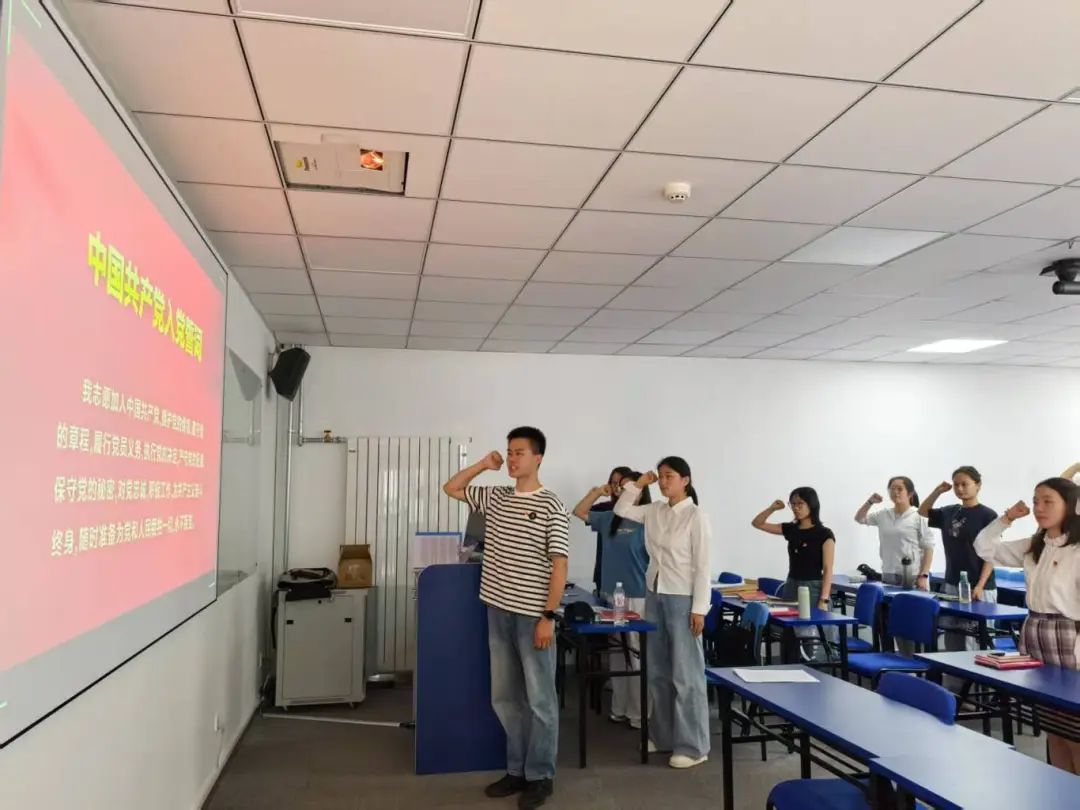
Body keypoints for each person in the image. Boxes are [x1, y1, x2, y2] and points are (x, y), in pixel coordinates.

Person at [442, 427, 568, 809]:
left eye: (520, 453)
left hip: (533, 616)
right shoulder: (495, 497)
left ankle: (541, 776)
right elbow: (451, 487)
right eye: (510, 452)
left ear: (538, 458)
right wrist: (484, 463)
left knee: (540, 700)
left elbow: (559, 565)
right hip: (498, 610)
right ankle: (517, 770)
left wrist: (548, 616)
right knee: (506, 698)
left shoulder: (551, 505)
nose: (512, 459)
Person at [974, 477, 1080, 773]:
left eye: (1048, 501)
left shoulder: (1077, 549)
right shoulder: (1034, 546)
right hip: (1035, 632)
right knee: (1053, 727)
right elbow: (984, 547)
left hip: (1070, 638)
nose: (1038, 508)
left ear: (1071, 506)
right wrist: (1007, 518)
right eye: (1035, 501)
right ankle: (1062, 789)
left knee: (1075, 729)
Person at [614, 457, 710, 769]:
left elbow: (703, 566)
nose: (664, 482)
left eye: (670, 476)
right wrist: (639, 484)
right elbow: (621, 509)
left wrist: (699, 609)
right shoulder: (655, 510)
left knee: (685, 674)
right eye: (662, 477)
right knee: (657, 670)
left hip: (683, 597)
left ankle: (693, 746)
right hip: (655, 593)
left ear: (686, 480)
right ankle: (664, 736)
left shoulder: (695, 516)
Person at [572, 472, 651, 729]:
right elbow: (579, 511)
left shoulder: (648, 519)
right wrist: (597, 492)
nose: (621, 490)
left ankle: (640, 713)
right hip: (611, 595)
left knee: (636, 655)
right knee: (617, 653)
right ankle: (620, 707)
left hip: (638, 595)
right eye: (620, 487)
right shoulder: (609, 518)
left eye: (628, 487)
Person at [919, 466, 998, 652]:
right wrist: (938, 491)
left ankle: (978, 671)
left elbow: (992, 554)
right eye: (956, 485)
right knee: (952, 636)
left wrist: (980, 585)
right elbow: (923, 511)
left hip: (978, 586)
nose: (960, 489)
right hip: (953, 583)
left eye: (965, 484)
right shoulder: (949, 512)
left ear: (978, 485)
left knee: (974, 640)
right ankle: (952, 671)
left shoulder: (988, 515)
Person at [752, 487, 836, 659]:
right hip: (792, 585)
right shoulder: (791, 529)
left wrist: (824, 599)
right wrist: (772, 508)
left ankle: (813, 666)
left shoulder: (824, 534)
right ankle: (790, 664)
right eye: (793, 504)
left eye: (800, 504)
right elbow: (757, 523)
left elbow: (828, 569)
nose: (796, 508)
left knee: (808, 633)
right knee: (789, 630)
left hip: (813, 588)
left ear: (811, 505)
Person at [854, 477, 935, 589]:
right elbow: (859, 518)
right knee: (888, 600)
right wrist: (870, 502)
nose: (895, 492)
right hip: (888, 573)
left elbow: (929, 548)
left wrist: (923, 575)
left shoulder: (919, 516)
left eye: (900, 489)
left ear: (910, 493)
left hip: (912, 575)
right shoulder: (883, 514)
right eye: (892, 489)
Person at [587, 466, 633, 595]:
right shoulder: (605, 509)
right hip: (604, 573)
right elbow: (580, 512)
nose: (617, 487)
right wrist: (596, 493)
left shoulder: (640, 511)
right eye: (613, 483)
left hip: (632, 576)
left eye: (621, 483)